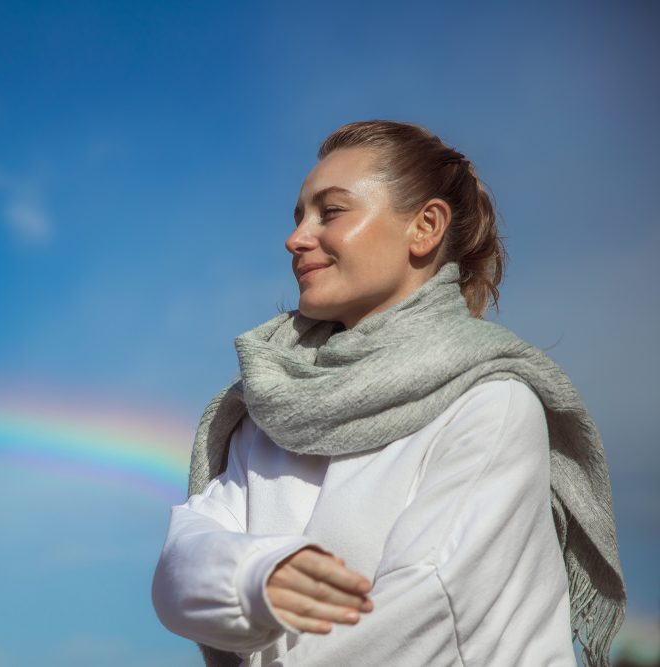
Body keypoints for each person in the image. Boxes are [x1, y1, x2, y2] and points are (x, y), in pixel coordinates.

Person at [151, 120, 626, 667]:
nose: (296, 237)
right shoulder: (265, 414)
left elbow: (434, 605)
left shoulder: (492, 401)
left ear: (424, 227)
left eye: (330, 212)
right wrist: (255, 577)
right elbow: (181, 560)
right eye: (298, 217)